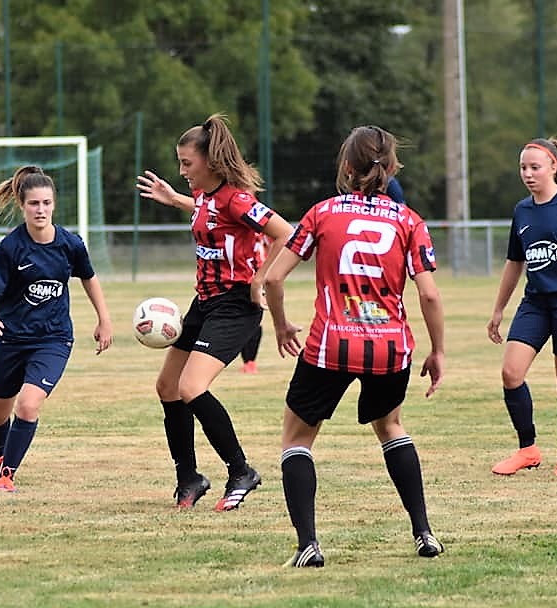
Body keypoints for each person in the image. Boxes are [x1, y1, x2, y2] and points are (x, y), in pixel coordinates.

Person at [264, 125, 445, 567]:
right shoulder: (409, 221)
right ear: (392, 169)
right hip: (390, 347)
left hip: (332, 343)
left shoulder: (322, 213)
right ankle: (423, 532)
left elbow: (272, 277)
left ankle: (308, 545)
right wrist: (438, 351)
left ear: (346, 168)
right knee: (391, 427)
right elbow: (430, 295)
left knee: (296, 438)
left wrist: (282, 324)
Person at [136, 113, 294, 511]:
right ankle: (188, 477)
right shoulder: (207, 196)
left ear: (209, 161)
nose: (182, 170)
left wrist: (260, 278)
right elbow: (208, 211)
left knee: (191, 388)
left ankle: (241, 470)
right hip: (204, 303)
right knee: (167, 387)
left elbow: (285, 233)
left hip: (236, 306)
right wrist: (176, 199)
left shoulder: (237, 198)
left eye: (187, 163)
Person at [0, 165, 113, 493]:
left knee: (28, 405)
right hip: (12, 338)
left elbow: (88, 277)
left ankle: (8, 473)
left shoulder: (70, 244)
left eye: (46, 203)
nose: (41, 210)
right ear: (22, 206)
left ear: (54, 204)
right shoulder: (12, 246)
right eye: (34, 204)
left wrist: (104, 319)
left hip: (53, 339)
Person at [486, 137, 557, 478]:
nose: (528, 173)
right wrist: (498, 310)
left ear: (553, 166)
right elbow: (514, 263)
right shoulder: (522, 210)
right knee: (511, 373)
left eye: (535, 167)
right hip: (535, 302)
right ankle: (528, 450)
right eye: (523, 167)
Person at [240, 232, 269, 375]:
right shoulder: (240, 226)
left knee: (255, 320)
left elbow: (277, 245)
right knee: (240, 321)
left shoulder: (266, 229)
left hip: (258, 278)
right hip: (241, 278)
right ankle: (247, 361)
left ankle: (249, 361)